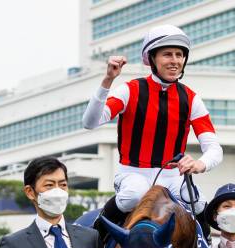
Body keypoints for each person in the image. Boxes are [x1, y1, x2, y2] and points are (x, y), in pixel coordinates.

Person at [82, 24, 223, 236]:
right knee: (133, 195)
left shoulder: (191, 98)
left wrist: (198, 164)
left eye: (179, 55)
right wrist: (108, 80)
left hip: (172, 175)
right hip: (132, 172)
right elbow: (90, 122)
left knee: (197, 201)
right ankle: (96, 246)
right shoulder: (129, 90)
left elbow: (214, 149)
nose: (175, 61)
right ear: (152, 59)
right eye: (167, 54)